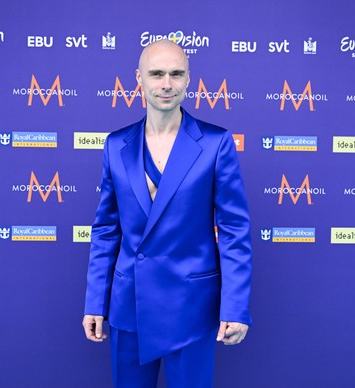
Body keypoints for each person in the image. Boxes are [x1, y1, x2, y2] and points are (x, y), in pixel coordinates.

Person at [82, 39, 252, 388]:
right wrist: (95, 301)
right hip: (130, 306)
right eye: (156, 74)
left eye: (176, 74)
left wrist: (235, 307)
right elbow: (106, 231)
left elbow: (234, 230)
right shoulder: (116, 145)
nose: (166, 84)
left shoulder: (215, 143)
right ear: (139, 78)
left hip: (191, 307)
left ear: (189, 79)